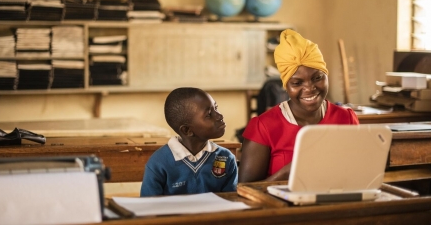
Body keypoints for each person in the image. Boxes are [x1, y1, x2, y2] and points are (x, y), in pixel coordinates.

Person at [239, 29, 359, 183]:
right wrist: (284, 175)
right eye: (297, 83)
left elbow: (358, 174)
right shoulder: (263, 127)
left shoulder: (346, 118)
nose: (309, 88)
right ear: (286, 86)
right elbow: (244, 192)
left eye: (317, 78)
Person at [140, 87, 238, 196]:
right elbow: (149, 205)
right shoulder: (158, 163)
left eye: (216, 107)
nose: (220, 116)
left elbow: (231, 200)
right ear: (187, 130)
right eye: (209, 114)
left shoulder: (226, 158)